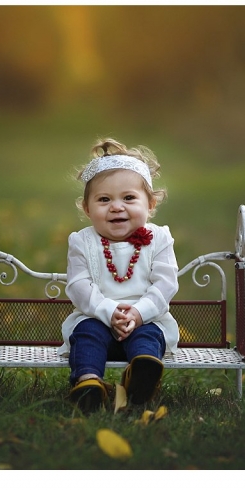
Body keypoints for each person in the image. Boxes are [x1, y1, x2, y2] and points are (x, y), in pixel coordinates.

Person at [59, 138, 180, 412]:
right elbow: (79, 286)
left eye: (128, 198)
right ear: (87, 209)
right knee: (86, 333)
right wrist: (108, 311)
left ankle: (142, 375)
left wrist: (138, 313)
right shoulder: (82, 241)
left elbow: (166, 283)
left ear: (150, 205)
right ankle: (88, 382)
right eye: (104, 199)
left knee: (148, 336)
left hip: (146, 318)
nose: (116, 207)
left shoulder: (159, 238)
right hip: (96, 317)